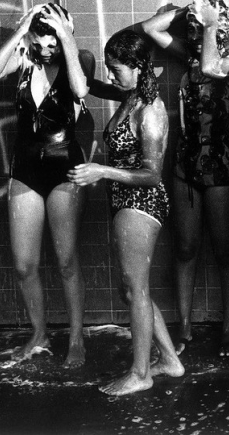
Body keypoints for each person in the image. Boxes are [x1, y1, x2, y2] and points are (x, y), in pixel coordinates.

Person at [68, 30, 184, 395]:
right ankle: (168, 359)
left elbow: (152, 174)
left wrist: (101, 171)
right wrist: (68, 41)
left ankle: (140, 373)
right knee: (133, 288)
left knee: (135, 289)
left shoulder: (151, 110)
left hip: (142, 201)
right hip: (124, 199)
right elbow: (88, 87)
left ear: (137, 67)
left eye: (116, 69)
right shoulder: (131, 95)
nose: (111, 75)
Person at [0, 3, 92, 367]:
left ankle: (76, 337)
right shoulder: (24, 60)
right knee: (24, 264)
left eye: (53, 44)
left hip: (65, 169)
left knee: (66, 261)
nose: (46, 51)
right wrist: (20, 30)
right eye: (39, 43)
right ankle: (40, 332)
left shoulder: (79, 58)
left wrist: (67, 39)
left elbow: (79, 89)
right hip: (25, 169)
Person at [140, 0, 229, 357]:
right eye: (195, 25)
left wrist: (210, 22)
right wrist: (186, 10)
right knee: (185, 247)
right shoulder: (188, 56)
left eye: (202, 24)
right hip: (186, 163)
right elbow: (149, 29)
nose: (196, 29)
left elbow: (209, 68)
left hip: (221, 162)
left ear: (222, 26)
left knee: (224, 250)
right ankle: (185, 327)